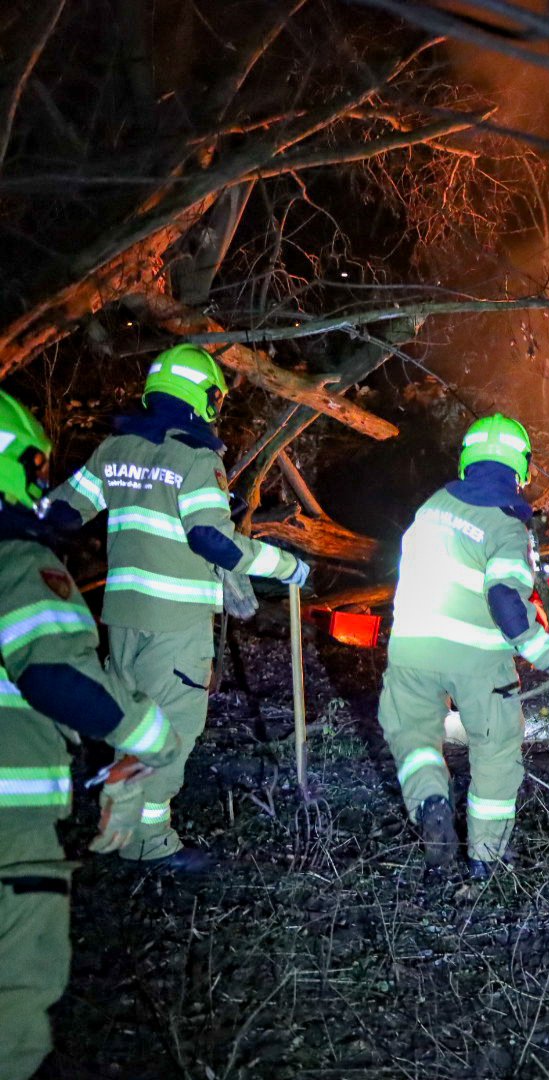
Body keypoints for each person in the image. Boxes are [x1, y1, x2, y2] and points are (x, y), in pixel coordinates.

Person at [47, 344, 309, 869]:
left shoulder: (116, 448)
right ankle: (150, 843)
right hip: (176, 627)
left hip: (122, 620)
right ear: (204, 397)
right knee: (169, 730)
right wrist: (286, 566)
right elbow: (210, 538)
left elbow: (61, 513)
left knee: (133, 723)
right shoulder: (195, 457)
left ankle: (121, 825)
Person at [0, 388, 179, 1079]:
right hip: (10, 836)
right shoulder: (16, 562)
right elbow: (55, 674)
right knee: (12, 1011)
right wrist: (150, 736)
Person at [381, 413, 549, 877]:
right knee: (495, 749)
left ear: (467, 458)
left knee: (413, 735)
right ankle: (486, 860)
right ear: (521, 468)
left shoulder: (432, 507)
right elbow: (505, 600)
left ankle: (431, 800)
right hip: (476, 660)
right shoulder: (505, 526)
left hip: (410, 650)